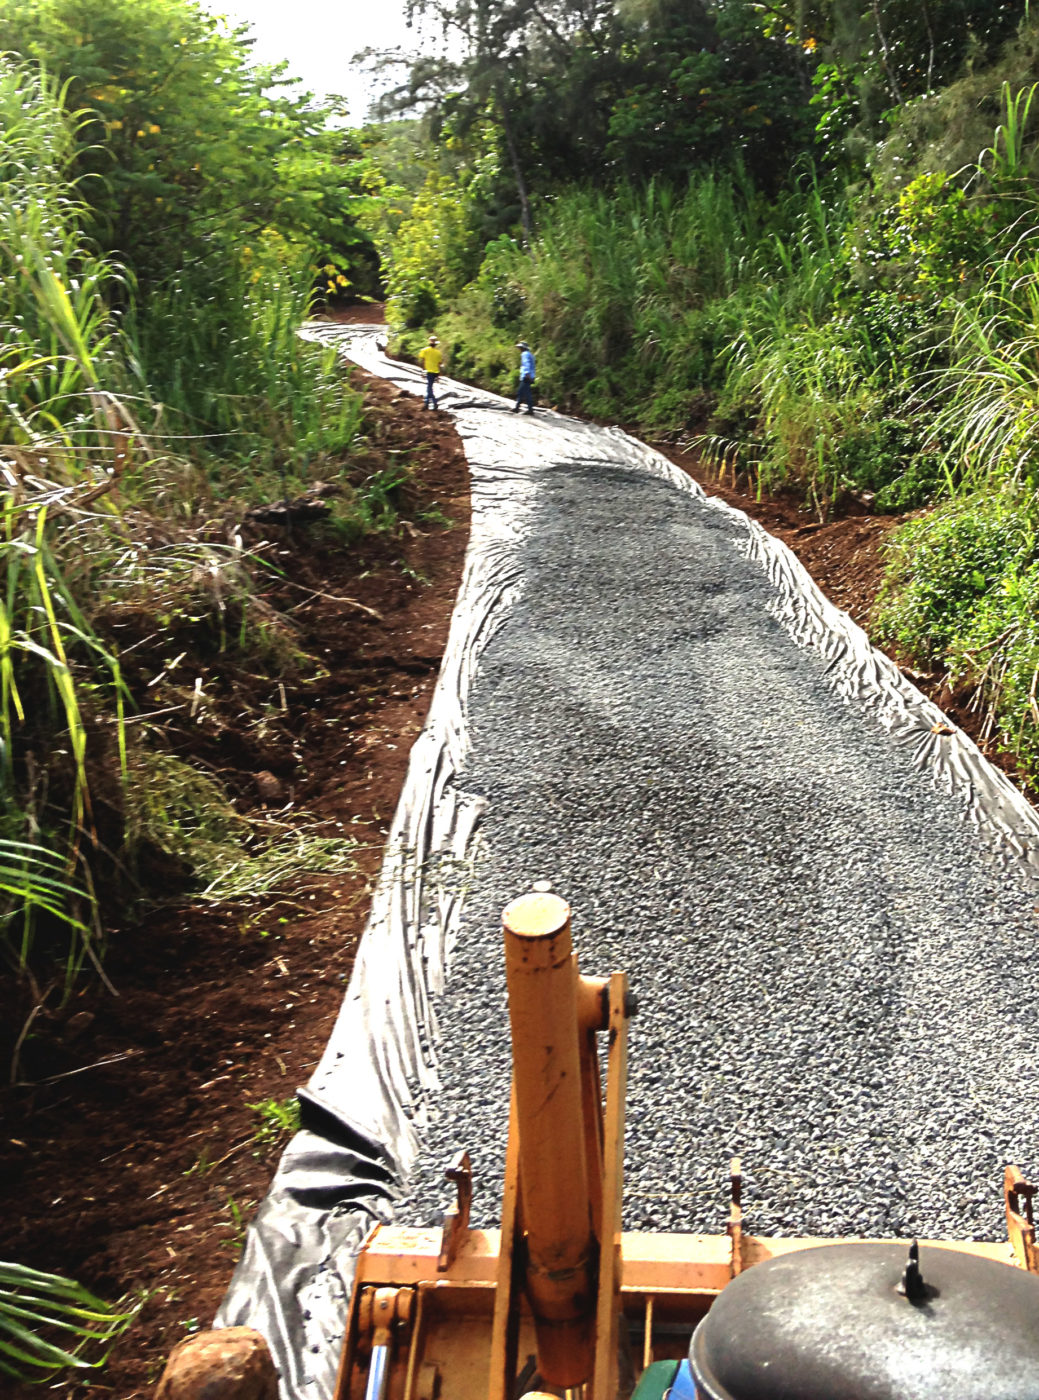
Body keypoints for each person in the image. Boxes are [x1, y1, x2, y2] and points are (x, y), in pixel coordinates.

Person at [417, 335, 443, 410]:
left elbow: (422, 361)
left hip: (429, 372)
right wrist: (439, 375)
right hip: (436, 372)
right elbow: (439, 364)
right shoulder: (438, 353)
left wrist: (422, 371)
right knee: (429, 387)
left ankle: (431, 403)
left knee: (429, 388)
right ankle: (428, 403)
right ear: (436, 344)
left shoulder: (424, 350)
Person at [513, 341, 536, 415]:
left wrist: (527, 373)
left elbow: (526, 364)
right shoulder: (530, 355)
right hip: (530, 376)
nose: (519, 349)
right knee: (522, 392)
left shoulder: (524, 354)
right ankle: (517, 408)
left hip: (526, 376)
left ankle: (530, 409)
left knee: (524, 392)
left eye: (520, 348)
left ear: (522, 348)